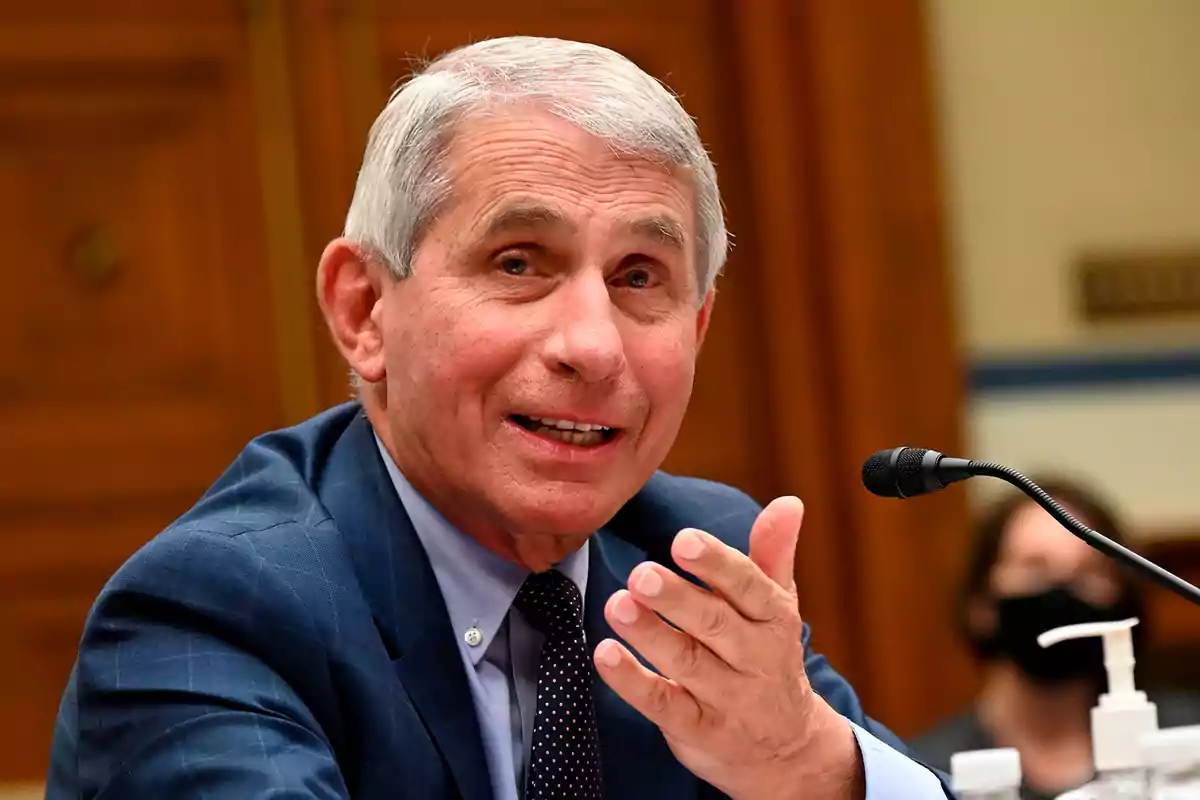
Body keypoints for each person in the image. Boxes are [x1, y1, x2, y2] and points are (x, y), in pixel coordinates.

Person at [47, 36, 950, 799]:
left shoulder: (691, 559)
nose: (593, 345)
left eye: (639, 276)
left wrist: (810, 763)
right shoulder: (215, 611)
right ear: (364, 310)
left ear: (700, 324)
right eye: (519, 263)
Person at [908, 476, 1200, 799]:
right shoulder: (929, 775)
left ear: (1121, 597)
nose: (1062, 587)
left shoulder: (1185, 745)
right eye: (1035, 568)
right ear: (982, 603)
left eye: (1088, 572)